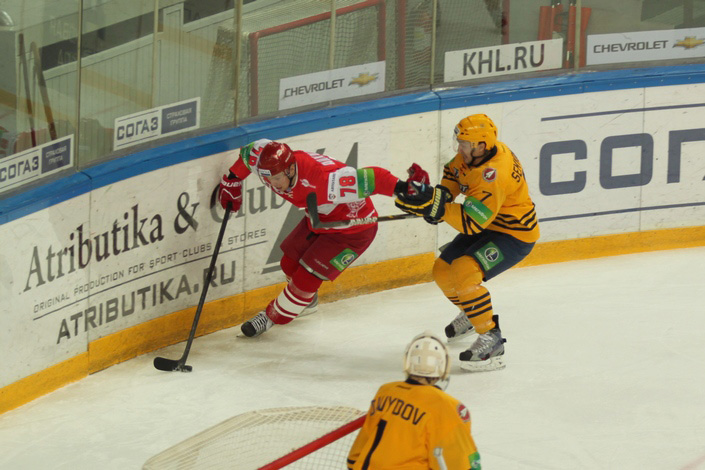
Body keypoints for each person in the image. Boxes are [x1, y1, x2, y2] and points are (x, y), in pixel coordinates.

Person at [217, 139, 428, 337]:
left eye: (277, 178)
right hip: (320, 219)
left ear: (291, 170)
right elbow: (248, 155)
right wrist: (232, 181)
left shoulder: (324, 180)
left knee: (305, 280)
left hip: (352, 232)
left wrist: (405, 189)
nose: (273, 183)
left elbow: (373, 178)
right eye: (268, 179)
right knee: (289, 263)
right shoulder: (266, 160)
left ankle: (271, 316)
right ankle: (306, 302)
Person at [394, 114, 540, 372]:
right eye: (459, 142)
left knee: (464, 270)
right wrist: (441, 197)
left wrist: (436, 208)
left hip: (514, 234)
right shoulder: (474, 154)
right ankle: (474, 314)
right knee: (442, 270)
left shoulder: (493, 174)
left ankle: (492, 340)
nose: (458, 149)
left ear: (481, 145)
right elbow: (453, 173)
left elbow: (472, 223)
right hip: (488, 224)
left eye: (463, 144)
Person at [347, 332, 482, 470]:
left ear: (407, 362)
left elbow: (354, 457)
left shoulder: (385, 392)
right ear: (444, 366)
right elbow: (461, 464)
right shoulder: (446, 406)